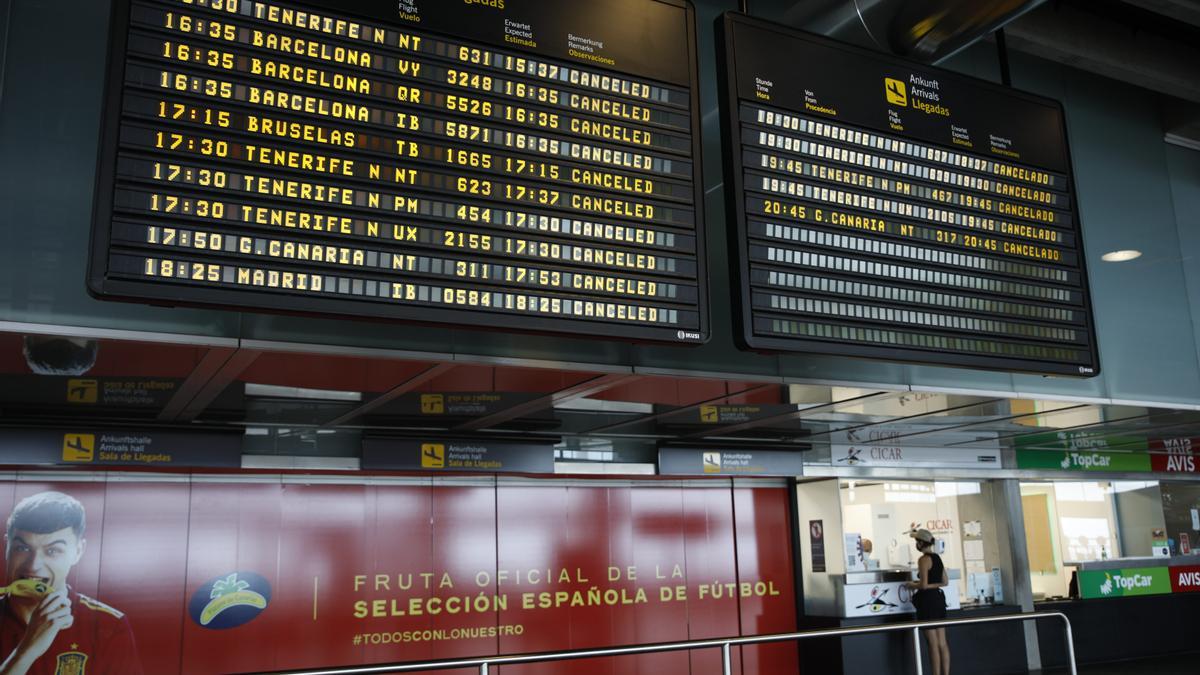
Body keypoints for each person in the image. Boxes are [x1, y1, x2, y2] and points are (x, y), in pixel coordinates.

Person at [0, 492, 142, 675]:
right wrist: (28, 650)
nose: (33, 566)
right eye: (23, 548)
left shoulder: (109, 625)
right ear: (7, 546)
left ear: (78, 551)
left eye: (52, 551)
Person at [906, 528, 950, 675]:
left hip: (927, 602)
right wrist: (930, 585)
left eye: (916, 541)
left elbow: (923, 585)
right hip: (938, 600)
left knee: (932, 644)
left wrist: (912, 585)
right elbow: (945, 582)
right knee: (942, 643)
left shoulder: (923, 560)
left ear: (920, 543)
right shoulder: (938, 558)